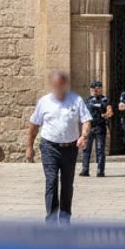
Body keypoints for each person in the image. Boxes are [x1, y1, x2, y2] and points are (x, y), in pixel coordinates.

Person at [27, 70, 91, 224]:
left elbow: (86, 120)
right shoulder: (44, 102)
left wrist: (84, 136)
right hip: (49, 146)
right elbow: (34, 125)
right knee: (51, 180)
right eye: (56, 85)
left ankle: (64, 217)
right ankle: (51, 219)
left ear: (65, 85)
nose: (58, 87)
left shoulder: (76, 100)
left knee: (67, 183)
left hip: (70, 148)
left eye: (61, 84)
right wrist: (29, 147)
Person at [81, 80, 112, 177]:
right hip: (90, 127)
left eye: (98, 89)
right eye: (93, 89)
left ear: (100, 89)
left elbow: (109, 110)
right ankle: (85, 170)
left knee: (100, 149)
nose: (95, 90)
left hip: (100, 127)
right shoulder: (87, 101)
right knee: (86, 149)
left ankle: (100, 171)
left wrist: (107, 114)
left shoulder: (105, 100)